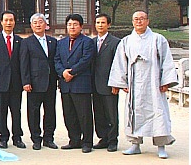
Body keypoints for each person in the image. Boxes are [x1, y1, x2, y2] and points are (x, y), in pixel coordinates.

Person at [108, 10, 178, 159]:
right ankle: (135, 144)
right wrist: (121, 82)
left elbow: (166, 60)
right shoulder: (126, 41)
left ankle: (161, 146)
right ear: (132, 22)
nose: (139, 21)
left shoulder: (158, 39)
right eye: (136, 19)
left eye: (142, 19)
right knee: (134, 112)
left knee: (158, 112)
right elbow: (120, 63)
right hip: (134, 84)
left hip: (153, 82)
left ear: (147, 21)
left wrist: (166, 81)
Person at [54, 13, 95, 153]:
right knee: (69, 114)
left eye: (75, 24)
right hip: (65, 84)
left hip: (80, 83)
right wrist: (62, 72)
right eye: (70, 24)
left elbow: (86, 60)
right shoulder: (61, 43)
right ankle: (74, 140)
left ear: (81, 27)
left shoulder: (87, 42)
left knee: (84, 114)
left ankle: (87, 142)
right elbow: (56, 60)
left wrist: (71, 72)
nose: (72, 27)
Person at [19, 13, 59, 150]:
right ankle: (36, 139)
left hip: (50, 82)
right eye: (35, 22)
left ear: (45, 25)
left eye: (40, 22)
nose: (38, 25)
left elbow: (55, 61)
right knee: (34, 112)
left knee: (50, 111)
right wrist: (26, 81)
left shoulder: (53, 41)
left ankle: (49, 138)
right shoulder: (27, 42)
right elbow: (23, 63)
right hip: (34, 83)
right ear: (31, 25)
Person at [0, 10, 25, 149]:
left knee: (16, 111)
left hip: (16, 82)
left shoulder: (20, 41)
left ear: (14, 22)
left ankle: (17, 137)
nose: (8, 23)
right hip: (0, 82)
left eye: (11, 20)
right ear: (1, 22)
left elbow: (23, 62)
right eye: (6, 20)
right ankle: (3, 137)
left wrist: (24, 81)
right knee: (1, 111)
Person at [91, 13, 121, 152]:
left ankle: (113, 140)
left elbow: (118, 64)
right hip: (94, 84)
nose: (100, 25)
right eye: (98, 23)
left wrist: (116, 83)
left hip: (109, 84)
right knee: (98, 113)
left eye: (103, 23)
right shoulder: (91, 42)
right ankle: (103, 138)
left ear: (108, 25)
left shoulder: (115, 42)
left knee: (111, 114)